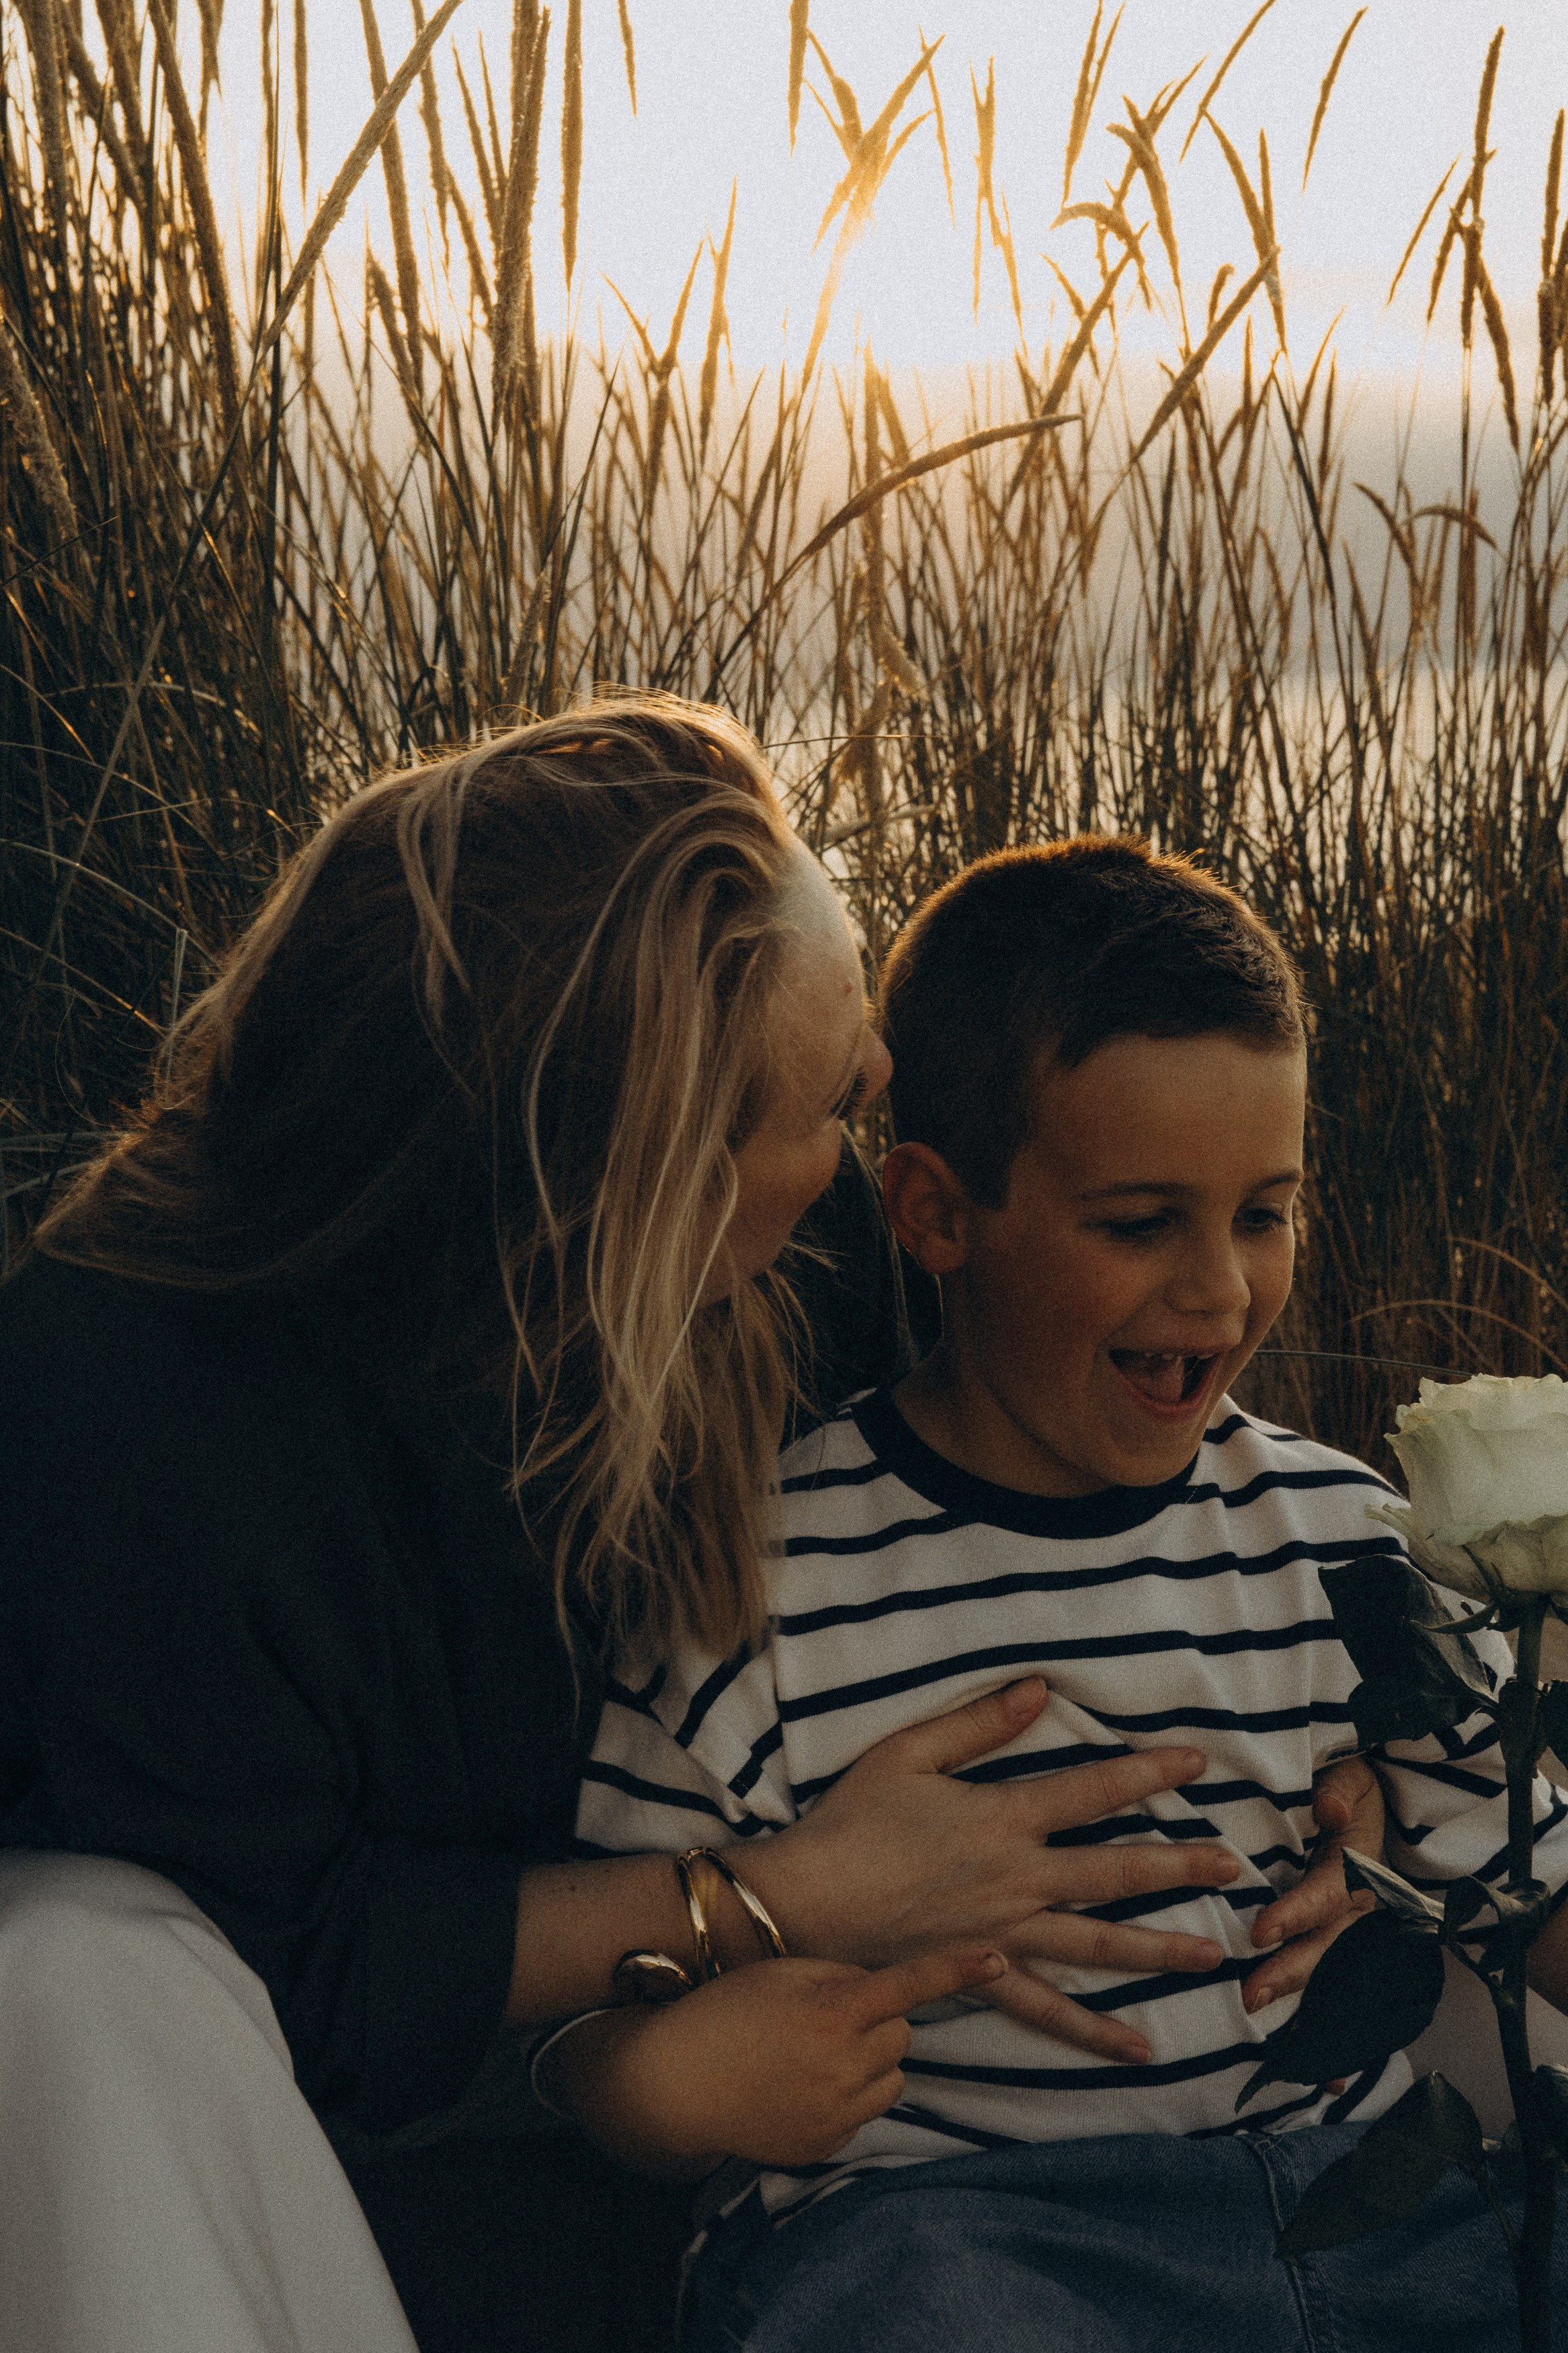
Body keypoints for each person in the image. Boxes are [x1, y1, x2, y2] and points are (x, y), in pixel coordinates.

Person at [0, 705, 1376, 2353]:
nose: (871, 1109)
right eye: (820, 1110)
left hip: (761, 2093)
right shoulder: (128, 1412)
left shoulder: (796, 1281)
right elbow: (287, 1965)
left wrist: (1349, 1762)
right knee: (63, 1951)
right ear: (614, 1187)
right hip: (275, 2135)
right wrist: (774, 1897)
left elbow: (1027, 1541)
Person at [570, 836, 1568, 2353]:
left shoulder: (1347, 1543)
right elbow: (602, 2032)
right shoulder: (752, 1585)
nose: (1222, 1291)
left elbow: (1534, 1877)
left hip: (1362, 2212)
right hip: (966, 2242)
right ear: (934, 1213)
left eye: (1264, 1211)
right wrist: (666, 2086)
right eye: (1139, 1222)